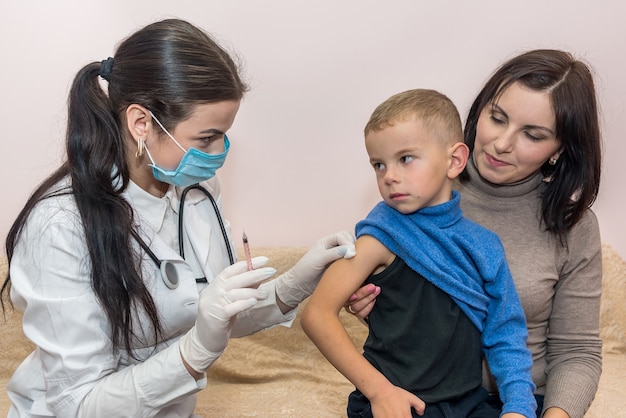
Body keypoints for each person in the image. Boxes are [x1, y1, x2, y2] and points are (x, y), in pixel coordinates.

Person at [0, 18, 356, 418]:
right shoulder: (60, 227)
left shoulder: (197, 189)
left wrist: (296, 282)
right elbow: (78, 406)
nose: (220, 150)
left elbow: (213, 313)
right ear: (141, 123)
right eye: (207, 138)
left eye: (224, 134)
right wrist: (195, 352)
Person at [348, 50, 603, 418]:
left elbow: (577, 351)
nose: (502, 143)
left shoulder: (574, 225)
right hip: (426, 398)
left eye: (532, 135)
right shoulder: (421, 190)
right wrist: (375, 305)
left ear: (559, 149)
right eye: (497, 118)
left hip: (527, 403)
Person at [302, 89, 536, 418]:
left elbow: (505, 333)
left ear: (454, 160)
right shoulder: (380, 237)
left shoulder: (485, 245)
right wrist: (379, 391)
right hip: (394, 404)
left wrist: (519, 408)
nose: (390, 176)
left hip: (469, 403)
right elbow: (316, 314)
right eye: (379, 165)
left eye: (405, 158)